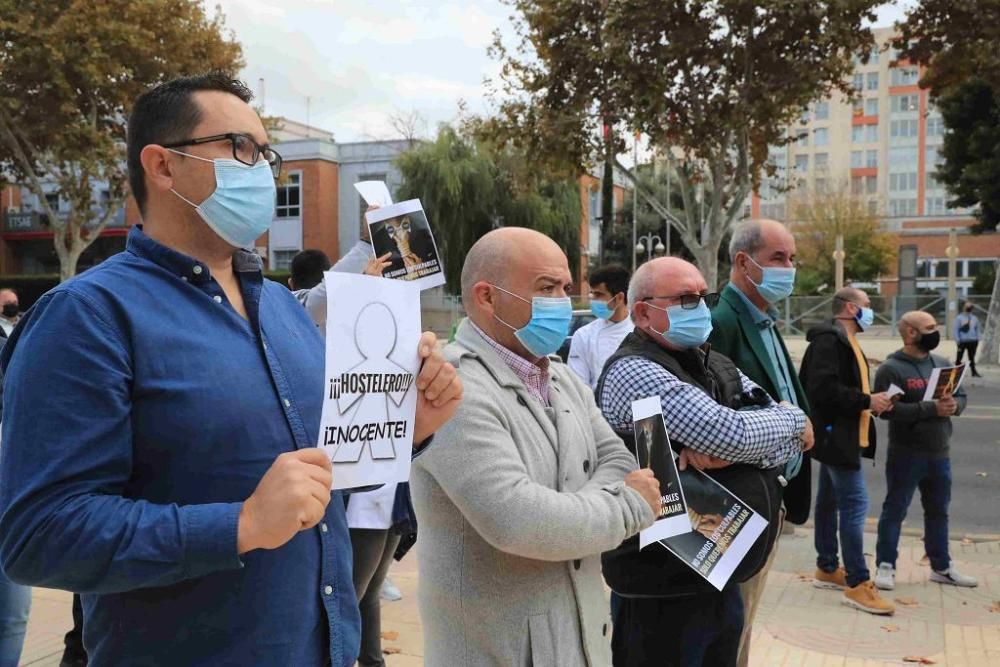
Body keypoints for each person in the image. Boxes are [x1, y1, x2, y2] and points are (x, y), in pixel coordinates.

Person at [0, 73, 462, 666]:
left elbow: (329, 477)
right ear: (162, 166)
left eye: (266, 154)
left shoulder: (283, 312)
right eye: (240, 148)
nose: (263, 172)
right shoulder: (87, 318)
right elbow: (39, 537)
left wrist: (408, 427)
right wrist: (238, 525)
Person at [411, 227, 660, 666]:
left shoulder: (560, 378)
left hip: (579, 641)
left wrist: (571, 512)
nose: (563, 303)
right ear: (487, 297)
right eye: (546, 288)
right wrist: (628, 506)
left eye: (566, 288)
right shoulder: (451, 389)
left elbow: (618, 458)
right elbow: (519, 519)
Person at [597, 257, 812, 667]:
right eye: (684, 298)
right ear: (642, 312)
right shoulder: (635, 370)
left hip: (719, 572)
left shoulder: (713, 361)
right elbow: (732, 433)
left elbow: (795, 441)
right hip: (662, 587)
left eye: (702, 296)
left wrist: (778, 430)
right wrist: (777, 428)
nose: (699, 307)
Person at [709, 219, 812, 666]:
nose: (788, 268)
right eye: (778, 259)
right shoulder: (721, 321)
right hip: (738, 498)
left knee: (744, 620)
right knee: (728, 622)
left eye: (791, 259)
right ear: (742, 262)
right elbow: (716, 418)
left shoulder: (766, 322)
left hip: (773, 495)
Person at [799, 287, 896, 615]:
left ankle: (827, 567)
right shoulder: (830, 340)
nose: (871, 312)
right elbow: (823, 390)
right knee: (855, 505)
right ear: (852, 308)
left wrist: (873, 401)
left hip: (840, 436)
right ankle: (858, 583)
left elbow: (845, 389)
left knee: (828, 503)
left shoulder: (845, 340)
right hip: (835, 437)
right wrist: (868, 401)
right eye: (868, 306)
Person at [872, 311, 976, 590]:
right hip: (906, 454)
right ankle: (885, 565)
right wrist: (931, 408)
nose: (935, 332)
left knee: (938, 511)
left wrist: (956, 406)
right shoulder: (891, 369)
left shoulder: (941, 364)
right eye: (929, 328)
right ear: (910, 333)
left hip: (940, 453)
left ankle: (941, 566)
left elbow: (961, 395)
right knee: (895, 510)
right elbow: (886, 411)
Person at [568, 264, 633, 390]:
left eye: (598, 294)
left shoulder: (642, 332)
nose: (592, 299)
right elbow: (578, 388)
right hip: (596, 408)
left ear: (619, 298)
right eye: (591, 294)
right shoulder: (584, 336)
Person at [954, 302, 982, 377]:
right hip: (962, 341)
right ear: (963, 307)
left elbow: (977, 329)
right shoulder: (959, 318)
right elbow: (956, 329)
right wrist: (957, 339)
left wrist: (978, 338)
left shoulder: (974, 318)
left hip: (973, 341)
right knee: (959, 357)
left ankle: (974, 372)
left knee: (972, 357)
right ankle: (956, 373)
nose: (968, 308)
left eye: (970, 306)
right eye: (967, 306)